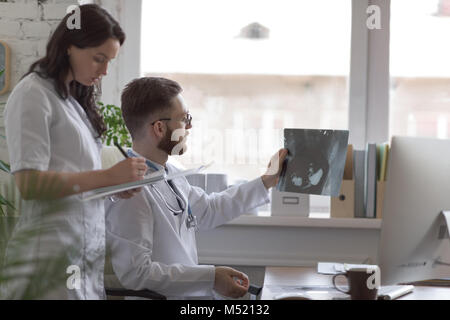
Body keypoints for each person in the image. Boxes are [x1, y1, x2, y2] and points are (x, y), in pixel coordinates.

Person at [2, 4, 147, 299]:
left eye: (110, 61)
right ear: (69, 46)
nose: (105, 70)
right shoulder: (33, 94)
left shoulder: (72, 101)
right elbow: (29, 184)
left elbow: (74, 177)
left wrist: (114, 185)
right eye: (98, 59)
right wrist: (107, 176)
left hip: (80, 252)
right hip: (48, 256)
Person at [105, 77, 288, 299]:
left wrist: (267, 180)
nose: (189, 126)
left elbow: (211, 209)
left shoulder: (169, 173)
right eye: (184, 119)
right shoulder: (131, 191)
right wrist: (211, 277)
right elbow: (136, 273)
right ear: (160, 128)